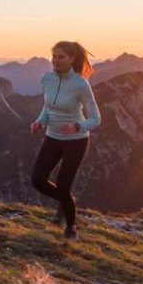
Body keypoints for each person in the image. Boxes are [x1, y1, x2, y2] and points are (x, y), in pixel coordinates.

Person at [30, 41, 100, 240]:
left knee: (63, 185)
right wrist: (39, 122)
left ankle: (71, 227)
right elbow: (48, 107)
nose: (55, 61)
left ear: (71, 59)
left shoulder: (80, 83)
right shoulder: (47, 78)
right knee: (37, 180)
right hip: (52, 137)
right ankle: (67, 200)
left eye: (61, 57)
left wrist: (77, 126)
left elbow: (96, 118)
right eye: (54, 56)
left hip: (76, 141)